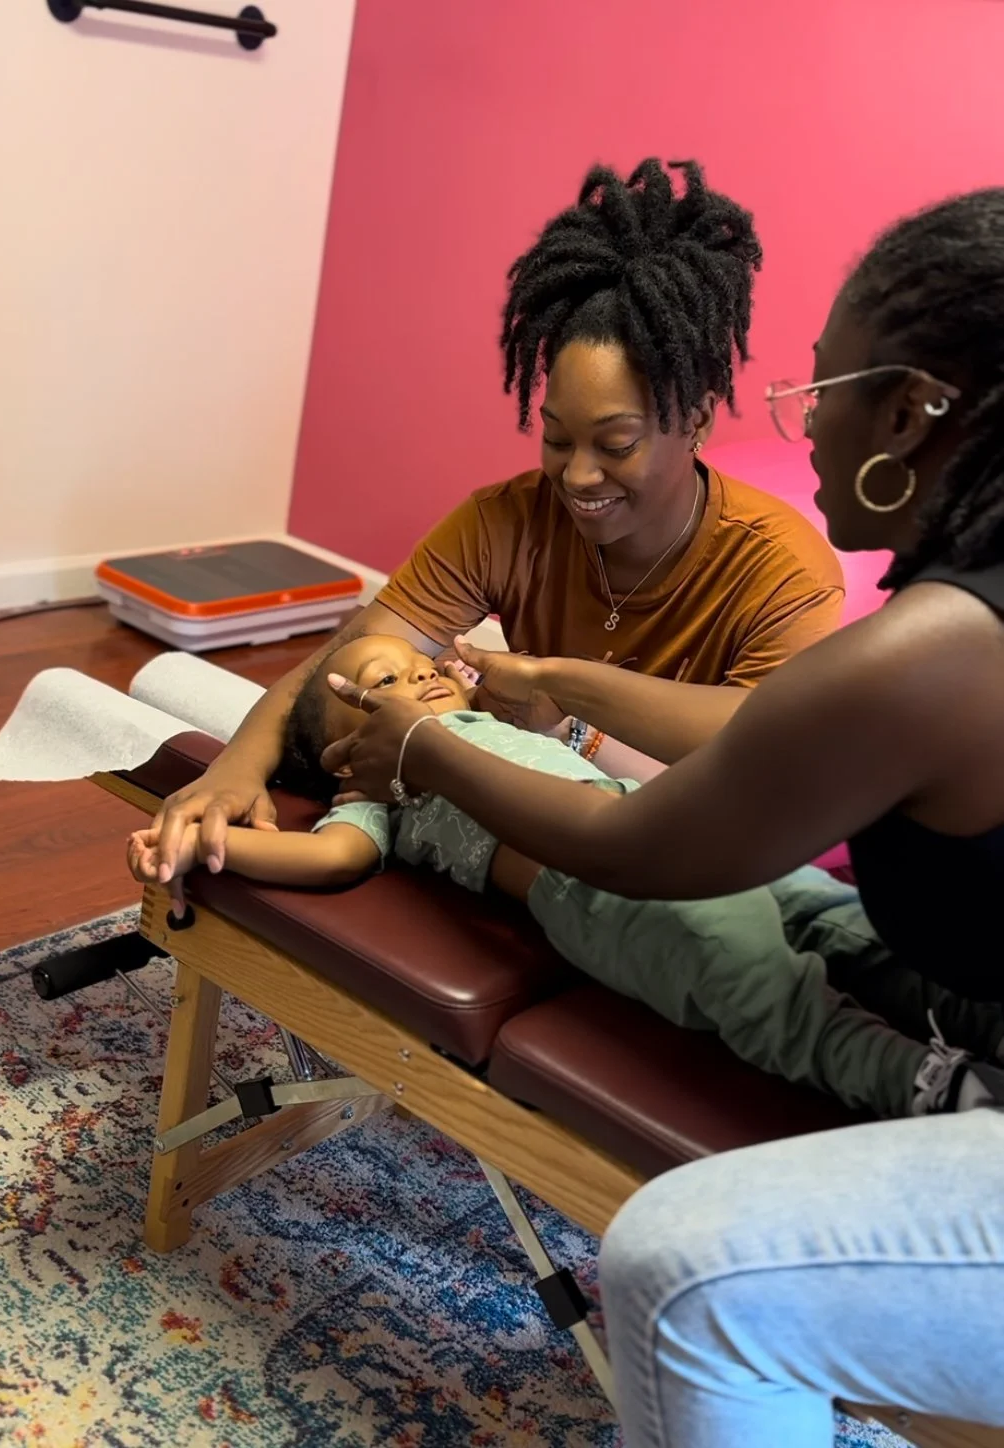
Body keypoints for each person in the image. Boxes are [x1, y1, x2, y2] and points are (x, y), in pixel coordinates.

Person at [319, 188, 1004, 1440]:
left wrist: (425, 743)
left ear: (906, 410)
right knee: (834, 935)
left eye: (820, 394)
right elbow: (764, 732)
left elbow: (650, 845)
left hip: (626, 851)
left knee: (681, 1268)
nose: (802, 431)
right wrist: (530, 694)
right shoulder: (950, 625)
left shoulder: (927, 643)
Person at [152, 158, 843, 882]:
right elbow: (350, 662)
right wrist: (234, 771)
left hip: (701, 841)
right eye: (555, 437)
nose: (576, 476)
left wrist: (562, 691)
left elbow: (771, 758)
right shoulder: (505, 521)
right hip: (547, 839)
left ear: (695, 420)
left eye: (615, 445)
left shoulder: (778, 569)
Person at [132, 632, 1004, 1119]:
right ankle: (931, 1088)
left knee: (837, 919)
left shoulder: (515, 731)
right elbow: (331, 857)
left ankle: (974, 1017)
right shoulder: (380, 791)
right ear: (343, 750)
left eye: (426, 668)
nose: (420, 679)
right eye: (384, 682)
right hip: (607, 898)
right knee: (759, 990)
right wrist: (207, 850)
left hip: (675, 834)